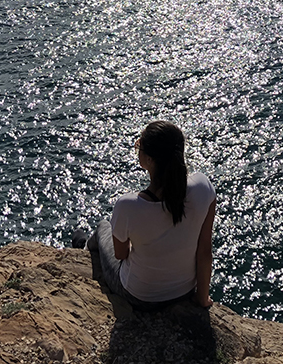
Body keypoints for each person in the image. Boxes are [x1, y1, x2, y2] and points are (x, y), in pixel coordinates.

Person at [89, 120, 216, 309]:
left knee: (102, 227)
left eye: (139, 145)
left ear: (149, 160)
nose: (137, 148)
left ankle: (82, 247)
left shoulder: (128, 205)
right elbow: (205, 250)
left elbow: (121, 254)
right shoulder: (203, 187)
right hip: (184, 291)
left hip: (140, 296)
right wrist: (202, 299)